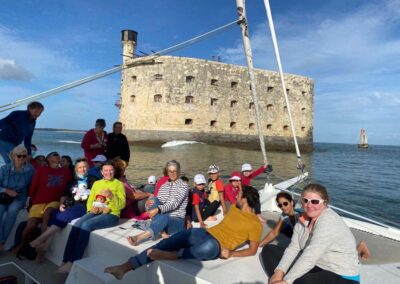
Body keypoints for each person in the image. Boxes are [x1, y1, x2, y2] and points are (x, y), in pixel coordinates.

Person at [104, 186, 263, 280]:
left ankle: (171, 255)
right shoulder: (236, 207)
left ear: (245, 200)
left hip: (217, 245)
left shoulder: (255, 224)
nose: (236, 196)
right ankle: (125, 267)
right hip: (205, 233)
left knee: (208, 248)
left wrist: (232, 253)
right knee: (169, 241)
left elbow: (253, 250)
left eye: (239, 195)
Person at [264, 184, 360, 284]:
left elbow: (311, 255)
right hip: (317, 266)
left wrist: (287, 281)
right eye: (305, 200)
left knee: (302, 281)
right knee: (269, 250)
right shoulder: (303, 220)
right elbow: (294, 248)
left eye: (315, 202)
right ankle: (278, 281)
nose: (309, 205)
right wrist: (279, 271)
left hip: (341, 275)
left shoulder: (328, 220)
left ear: (325, 202)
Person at [57, 163, 125, 273]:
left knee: (86, 225)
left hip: (111, 214)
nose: (108, 172)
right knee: (77, 224)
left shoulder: (118, 184)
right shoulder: (97, 183)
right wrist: (90, 210)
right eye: (106, 171)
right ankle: (65, 259)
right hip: (96, 211)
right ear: (102, 172)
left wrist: (111, 196)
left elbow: (121, 204)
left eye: (111, 170)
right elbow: (90, 200)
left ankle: (72, 261)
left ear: (114, 171)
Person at [29, 158, 96, 261]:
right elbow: (64, 196)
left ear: (88, 168)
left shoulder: (93, 180)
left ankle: (40, 239)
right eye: (79, 167)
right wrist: (61, 205)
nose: (82, 169)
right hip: (71, 205)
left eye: (84, 167)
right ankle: (45, 246)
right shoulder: (72, 182)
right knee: (54, 214)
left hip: (84, 206)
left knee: (64, 215)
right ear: (76, 169)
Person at [13, 151, 72, 254]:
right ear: (48, 159)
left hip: (54, 201)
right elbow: (34, 185)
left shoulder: (65, 171)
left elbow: (70, 185)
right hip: (39, 201)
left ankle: (41, 247)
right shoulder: (42, 170)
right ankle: (22, 244)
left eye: (58, 155)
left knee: (47, 214)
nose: (57, 156)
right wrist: (30, 201)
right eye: (54, 155)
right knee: (31, 225)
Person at [126, 160, 188, 246]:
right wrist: (148, 204)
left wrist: (157, 210)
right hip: (162, 218)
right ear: (167, 172)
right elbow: (156, 202)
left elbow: (174, 203)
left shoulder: (183, 186)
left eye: (175, 171)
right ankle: (162, 232)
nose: (172, 173)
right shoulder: (164, 186)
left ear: (179, 171)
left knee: (164, 217)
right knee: (154, 200)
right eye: (170, 171)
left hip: (176, 222)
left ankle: (138, 238)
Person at [0, 146, 35, 250]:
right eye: (19, 156)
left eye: (24, 156)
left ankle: (1, 243)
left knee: (12, 211)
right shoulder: (4, 169)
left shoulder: (30, 169)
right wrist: (6, 190)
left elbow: (34, 185)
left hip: (19, 196)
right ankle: (1, 241)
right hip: (4, 195)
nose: (21, 158)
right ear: (13, 156)